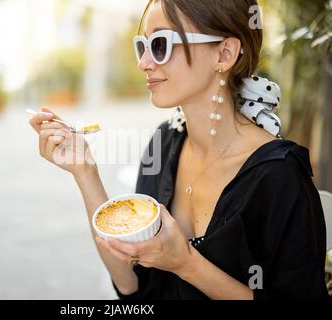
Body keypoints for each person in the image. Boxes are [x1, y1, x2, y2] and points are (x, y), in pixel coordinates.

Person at [29, 0, 328, 299]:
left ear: (224, 54)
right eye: (142, 46)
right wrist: (85, 171)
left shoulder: (279, 174)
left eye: (161, 44)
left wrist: (185, 263)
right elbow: (131, 284)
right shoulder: (163, 144)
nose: (144, 62)